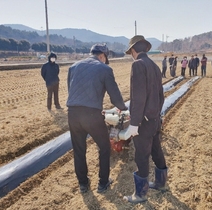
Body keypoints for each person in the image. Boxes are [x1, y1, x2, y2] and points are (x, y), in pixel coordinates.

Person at [67, 44, 127, 194]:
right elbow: (115, 97)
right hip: (92, 115)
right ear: (103, 56)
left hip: (73, 114)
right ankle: (103, 183)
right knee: (105, 147)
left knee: (79, 150)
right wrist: (124, 109)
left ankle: (83, 184)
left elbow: (72, 91)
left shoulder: (73, 67)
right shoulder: (105, 69)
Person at [123, 35, 168, 204]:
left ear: (133, 51)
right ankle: (161, 183)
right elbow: (160, 96)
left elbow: (138, 97)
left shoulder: (138, 65)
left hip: (143, 122)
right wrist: (156, 114)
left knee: (141, 156)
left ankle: (140, 194)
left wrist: (134, 123)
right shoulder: (154, 66)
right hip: (155, 119)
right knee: (156, 150)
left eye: (130, 52)